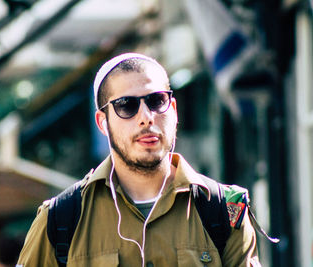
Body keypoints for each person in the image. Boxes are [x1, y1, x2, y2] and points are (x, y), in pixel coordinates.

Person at [16, 53, 261, 266]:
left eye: (156, 101)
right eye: (126, 106)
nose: (146, 117)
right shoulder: (60, 219)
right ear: (103, 122)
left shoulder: (223, 211)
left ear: (173, 110)